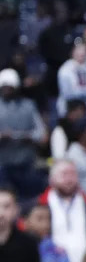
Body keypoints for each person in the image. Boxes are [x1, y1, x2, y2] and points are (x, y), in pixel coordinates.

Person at [0, 66, 47, 197]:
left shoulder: (29, 105)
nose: (7, 91)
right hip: (3, 164)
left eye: (10, 88)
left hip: (26, 163)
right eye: (4, 87)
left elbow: (42, 134)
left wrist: (29, 136)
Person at [57, 37, 86, 120]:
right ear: (73, 51)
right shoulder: (65, 69)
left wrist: (79, 90)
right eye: (78, 49)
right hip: (70, 105)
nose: (81, 52)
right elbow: (67, 93)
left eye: (84, 49)